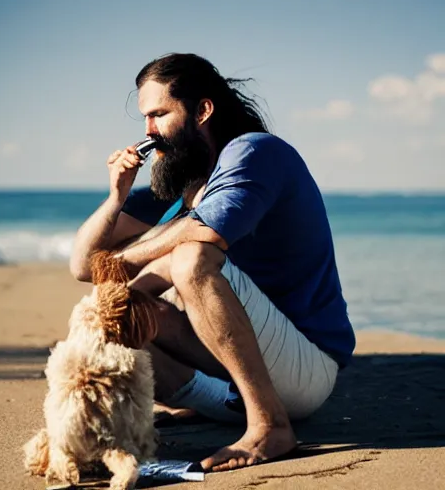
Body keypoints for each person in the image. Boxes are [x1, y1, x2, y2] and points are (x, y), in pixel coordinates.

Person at [70, 53, 356, 472]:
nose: (148, 132)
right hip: (228, 384)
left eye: (159, 115)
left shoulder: (254, 152)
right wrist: (116, 197)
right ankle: (206, 404)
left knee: (189, 259)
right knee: (111, 308)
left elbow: (206, 234)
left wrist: (126, 270)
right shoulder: (184, 178)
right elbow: (83, 264)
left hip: (306, 368)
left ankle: (270, 425)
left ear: (203, 109)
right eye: (145, 119)